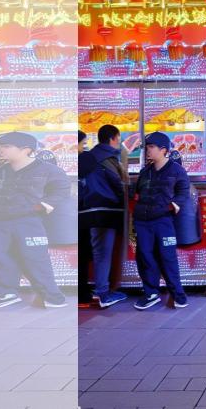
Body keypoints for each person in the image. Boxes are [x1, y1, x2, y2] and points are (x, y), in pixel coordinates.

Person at [0, 132, 69, 309]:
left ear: (26, 150)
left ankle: (52, 296)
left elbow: (60, 191)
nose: (1, 151)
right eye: (1, 147)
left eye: (7, 147)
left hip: (27, 221)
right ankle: (5, 293)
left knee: (35, 259)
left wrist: (41, 207)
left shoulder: (48, 170)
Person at [131, 132, 191, 309]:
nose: (147, 151)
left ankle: (178, 295)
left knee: (168, 258)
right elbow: (137, 194)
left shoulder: (177, 170)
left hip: (164, 221)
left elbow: (183, 192)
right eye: (147, 147)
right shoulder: (145, 172)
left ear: (163, 150)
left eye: (151, 147)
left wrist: (172, 206)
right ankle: (151, 294)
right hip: (142, 222)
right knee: (145, 257)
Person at [78, 125, 130, 308]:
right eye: (120, 138)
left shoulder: (91, 155)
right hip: (104, 210)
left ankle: (104, 289)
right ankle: (103, 293)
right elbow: (117, 182)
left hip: (89, 210)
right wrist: (126, 196)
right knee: (103, 253)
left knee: (100, 252)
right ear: (114, 138)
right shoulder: (107, 158)